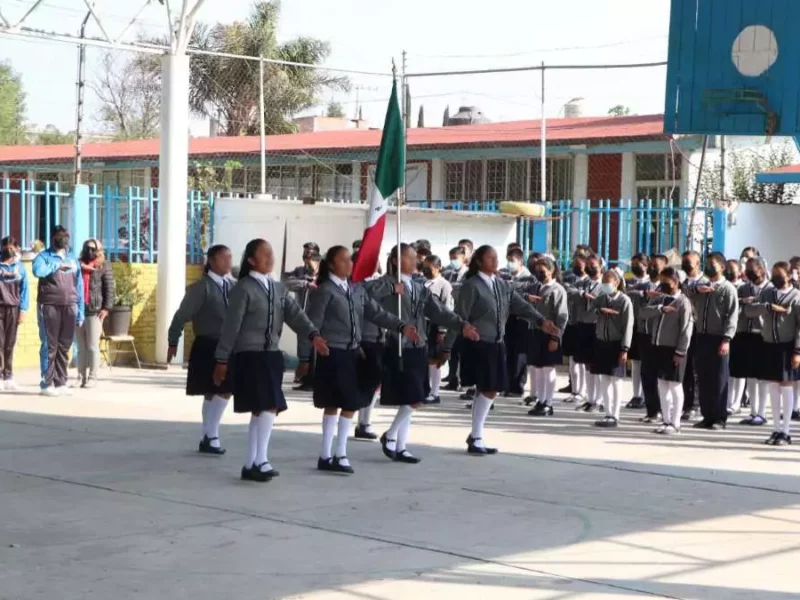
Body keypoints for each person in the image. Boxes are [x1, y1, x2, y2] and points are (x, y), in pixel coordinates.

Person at [212, 239, 328, 482]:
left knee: (261, 409)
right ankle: (261, 460)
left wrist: (313, 335)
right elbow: (230, 327)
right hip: (250, 355)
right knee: (270, 405)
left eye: (270, 253)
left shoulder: (277, 288)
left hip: (271, 355)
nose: (269, 258)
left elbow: (295, 315)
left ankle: (250, 464)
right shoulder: (243, 288)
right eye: (263, 254)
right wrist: (222, 360)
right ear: (252, 260)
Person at [301, 245, 418, 474]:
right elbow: (310, 325)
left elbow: (377, 313)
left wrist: (401, 326)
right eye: (343, 260)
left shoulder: (356, 290)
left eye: (349, 260)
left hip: (353, 352)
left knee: (349, 403)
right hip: (331, 352)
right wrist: (306, 356)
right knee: (334, 403)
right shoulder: (325, 291)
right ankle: (329, 454)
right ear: (332, 264)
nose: (348, 264)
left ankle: (338, 452)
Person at [370, 244, 478, 464]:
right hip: (398, 344)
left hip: (419, 344)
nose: (414, 262)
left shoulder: (419, 287)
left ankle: (399, 445)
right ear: (394, 260)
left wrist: (461, 324)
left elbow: (437, 311)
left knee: (414, 397)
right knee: (414, 396)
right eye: (408, 258)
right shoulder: (385, 283)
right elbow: (365, 295)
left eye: (413, 258)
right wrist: (392, 290)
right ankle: (391, 436)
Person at [445, 245, 558, 455]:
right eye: (490, 258)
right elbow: (459, 316)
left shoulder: (501, 284)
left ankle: (476, 435)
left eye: (496, 257)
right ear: (479, 261)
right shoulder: (472, 285)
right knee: (488, 388)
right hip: (478, 343)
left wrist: (541, 321)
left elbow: (520, 305)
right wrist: (447, 346)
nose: (495, 261)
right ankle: (476, 436)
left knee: (490, 389)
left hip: (497, 343)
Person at [168, 245, 235, 455]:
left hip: (228, 345)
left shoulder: (234, 287)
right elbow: (181, 315)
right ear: (212, 261)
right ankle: (211, 435)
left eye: (229, 258)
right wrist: (173, 340)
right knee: (218, 390)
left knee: (221, 390)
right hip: (208, 344)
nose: (228, 262)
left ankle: (208, 435)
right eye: (224, 258)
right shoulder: (201, 288)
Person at [743, 262, 800, 446]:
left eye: (779, 274)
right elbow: (749, 310)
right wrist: (767, 307)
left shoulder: (796, 296)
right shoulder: (767, 293)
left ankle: (786, 430)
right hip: (769, 344)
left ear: (789, 276)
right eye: (773, 274)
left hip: (788, 346)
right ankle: (775, 429)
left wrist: (797, 351)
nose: (775, 277)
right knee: (773, 386)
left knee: (786, 385)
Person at [640, 267, 694, 434]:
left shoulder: (683, 302)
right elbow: (643, 313)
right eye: (661, 281)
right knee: (662, 384)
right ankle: (666, 420)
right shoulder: (661, 299)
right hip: (658, 347)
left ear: (676, 282)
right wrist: (659, 309)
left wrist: (680, 352)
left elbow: (686, 329)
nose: (663, 285)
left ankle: (676, 422)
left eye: (666, 282)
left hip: (674, 350)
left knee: (675, 386)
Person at [32, 226, 84, 396]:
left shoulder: (73, 259)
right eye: (60, 236)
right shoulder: (44, 257)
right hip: (49, 306)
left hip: (70, 306)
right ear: (53, 238)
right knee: (50, 345)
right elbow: (38, 271)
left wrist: (80, 310)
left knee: (64, 345)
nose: (63, 239)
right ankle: (46, 383)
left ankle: (61, 382)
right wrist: (56, 265)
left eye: (66, 236)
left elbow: (79, 286)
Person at [690, 252, 739, 430]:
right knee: (703, 377)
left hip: (719, 338)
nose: (708, 267)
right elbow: (684, 292)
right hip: (702, 336)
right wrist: (696, 290)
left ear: (722, 267)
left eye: (713, 264)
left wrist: (726, 339)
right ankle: (707, 415)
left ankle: (720, 417)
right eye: (707, 263)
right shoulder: (702, 286)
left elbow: (732, 316)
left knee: (719, 379)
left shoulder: (728, 289)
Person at [525, 257, 568, 416]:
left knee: (548, 368)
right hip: (535, 332)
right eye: (537, 271)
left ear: (551, 271)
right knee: (538, 367)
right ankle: (540, 400)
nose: (539, 274)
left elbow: (562, 316)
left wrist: (556, 337)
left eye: (542, 271)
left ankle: (548, 403)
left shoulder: (557, 290)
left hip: (550, 333)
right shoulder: (536, 287)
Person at [591, 270, 634, 428]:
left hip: (617, 344)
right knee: (604, 380)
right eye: (603, 281)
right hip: (602, 342)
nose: (605, 285)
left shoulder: (624, 301)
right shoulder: (602, 298)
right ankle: (607, 412)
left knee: (616, 380)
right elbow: (591, 311)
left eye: (607, 282)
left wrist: (625, 348)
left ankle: (615, 414)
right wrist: (599, 310)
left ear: (616, 283)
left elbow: (628, 326)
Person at [629, 254, 667, 422]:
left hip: (660, 335)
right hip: (643, 333)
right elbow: (629, 295)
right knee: (646, 373)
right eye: (650, 265)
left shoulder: (667, 287)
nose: (652, 268)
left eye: (655, 266)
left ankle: (662, 410)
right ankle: (651, 410)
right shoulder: (642, 286)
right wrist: (644, 294)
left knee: (660, 375)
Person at [568, 254, 605, 412]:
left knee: (598, 366)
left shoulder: (606, 284)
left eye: (593, 264)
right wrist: (582, 294)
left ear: (600, 266)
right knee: (587, 364)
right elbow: (569, 290)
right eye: (588, 264)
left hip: (599, 326)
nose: (590, 267)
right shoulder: (583, 282)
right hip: (584, 324)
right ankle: (590, 399)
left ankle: (600, 400)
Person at [75, 239, 114, 388]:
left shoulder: (103, 266)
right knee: (81, 346)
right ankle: (80, 376)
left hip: (95, 310)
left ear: (99, 250)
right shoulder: (77, 265)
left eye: (92, 249)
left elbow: (109, 288)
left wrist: (106, 308)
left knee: (92, 346)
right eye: (87, 248)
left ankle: (92, 376)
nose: (89, 251)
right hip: (79, 309)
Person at [737, 257, 772, 426]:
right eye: (747, 269)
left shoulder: (770, 289)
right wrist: (743, 303)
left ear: (762, 270)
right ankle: (753, 411)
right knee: (750, 374)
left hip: (764, 335)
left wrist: (754, 306)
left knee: (763, 375)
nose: (748, 272)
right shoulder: (744, 288)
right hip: (746, 333)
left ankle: (762, 412)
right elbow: (737, 308)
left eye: (752, 268)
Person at [284, 251, 321, 391]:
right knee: (304, 350)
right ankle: (306, 380)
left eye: (310, 258)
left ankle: (314, 380)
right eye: (305, 257)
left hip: (319, 317)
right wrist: (305, 283)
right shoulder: (300, 272)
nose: (307, 261)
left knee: (316, 351)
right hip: (303, 316)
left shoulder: (324, 274)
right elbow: (287, 283)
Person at [680, 250, 710, 421]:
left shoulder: (705, 282)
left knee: (697, 369)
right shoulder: (682, 282)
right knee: (685, 370)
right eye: (684, 262)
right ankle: (686, 402)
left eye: (689, 262)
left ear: (698, 263)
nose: (686, 265)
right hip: (684, 330)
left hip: (700, 330)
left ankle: (696, 404)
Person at [422, 255, 453, 404]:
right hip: (423, 324)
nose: (426, 270)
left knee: (435, 359)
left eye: (430, 267)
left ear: (438, 267)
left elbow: (447, 308)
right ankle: (426, 389)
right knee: (425, 359)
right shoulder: (423, 283)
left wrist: (443, 330)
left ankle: (435, 392)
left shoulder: (444, 285)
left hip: (436, 325)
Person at [503, 247, 533, 398]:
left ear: (520, 262)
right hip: (507, 318)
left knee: (520, 354)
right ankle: (507, 384)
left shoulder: (529, 278)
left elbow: (527, 297)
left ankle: (518, 386)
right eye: (508, 261)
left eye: (512, 261)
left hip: (522, 319)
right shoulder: (505, 276)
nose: (509, 264)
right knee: (507, 351)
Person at [0, 236, 28, 390]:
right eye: (7, 247)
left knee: (10, 343)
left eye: (12, 247)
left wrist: (23, 309)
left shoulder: (20, 267)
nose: (10, 250)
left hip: (13, 308)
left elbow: (25, 290)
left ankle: (8, 377)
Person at [560, 252, 589, 400]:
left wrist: (581, 293)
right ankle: (575, 389)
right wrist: (582, 294)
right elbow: (567, 291)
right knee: (572, 360)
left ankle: (582, 391)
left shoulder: (590, 281)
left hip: (583, 323)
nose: (576, 266)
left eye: (580, 263)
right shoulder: (569, 278)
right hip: (570, 322)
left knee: (582, 360)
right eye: (575, 263)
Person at [624, 253, 650, 409]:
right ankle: (636, 395)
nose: (634, 267)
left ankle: (647, 395)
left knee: (647, 363)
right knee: (635, 363)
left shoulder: (652, 282)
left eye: (637, 264)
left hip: (647, 327)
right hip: (633, 325)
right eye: (632, 264)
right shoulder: (630, 282)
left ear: (646, 265)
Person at [724, 258, 746, 414]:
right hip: (724, 331)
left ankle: (736, 402)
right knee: (727, 369)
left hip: (740, 331)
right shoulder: (723, 286)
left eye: (732, 268)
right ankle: (727, 400)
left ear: (740, 271)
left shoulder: (744, 288)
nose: (729, 271)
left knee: (739, 370)